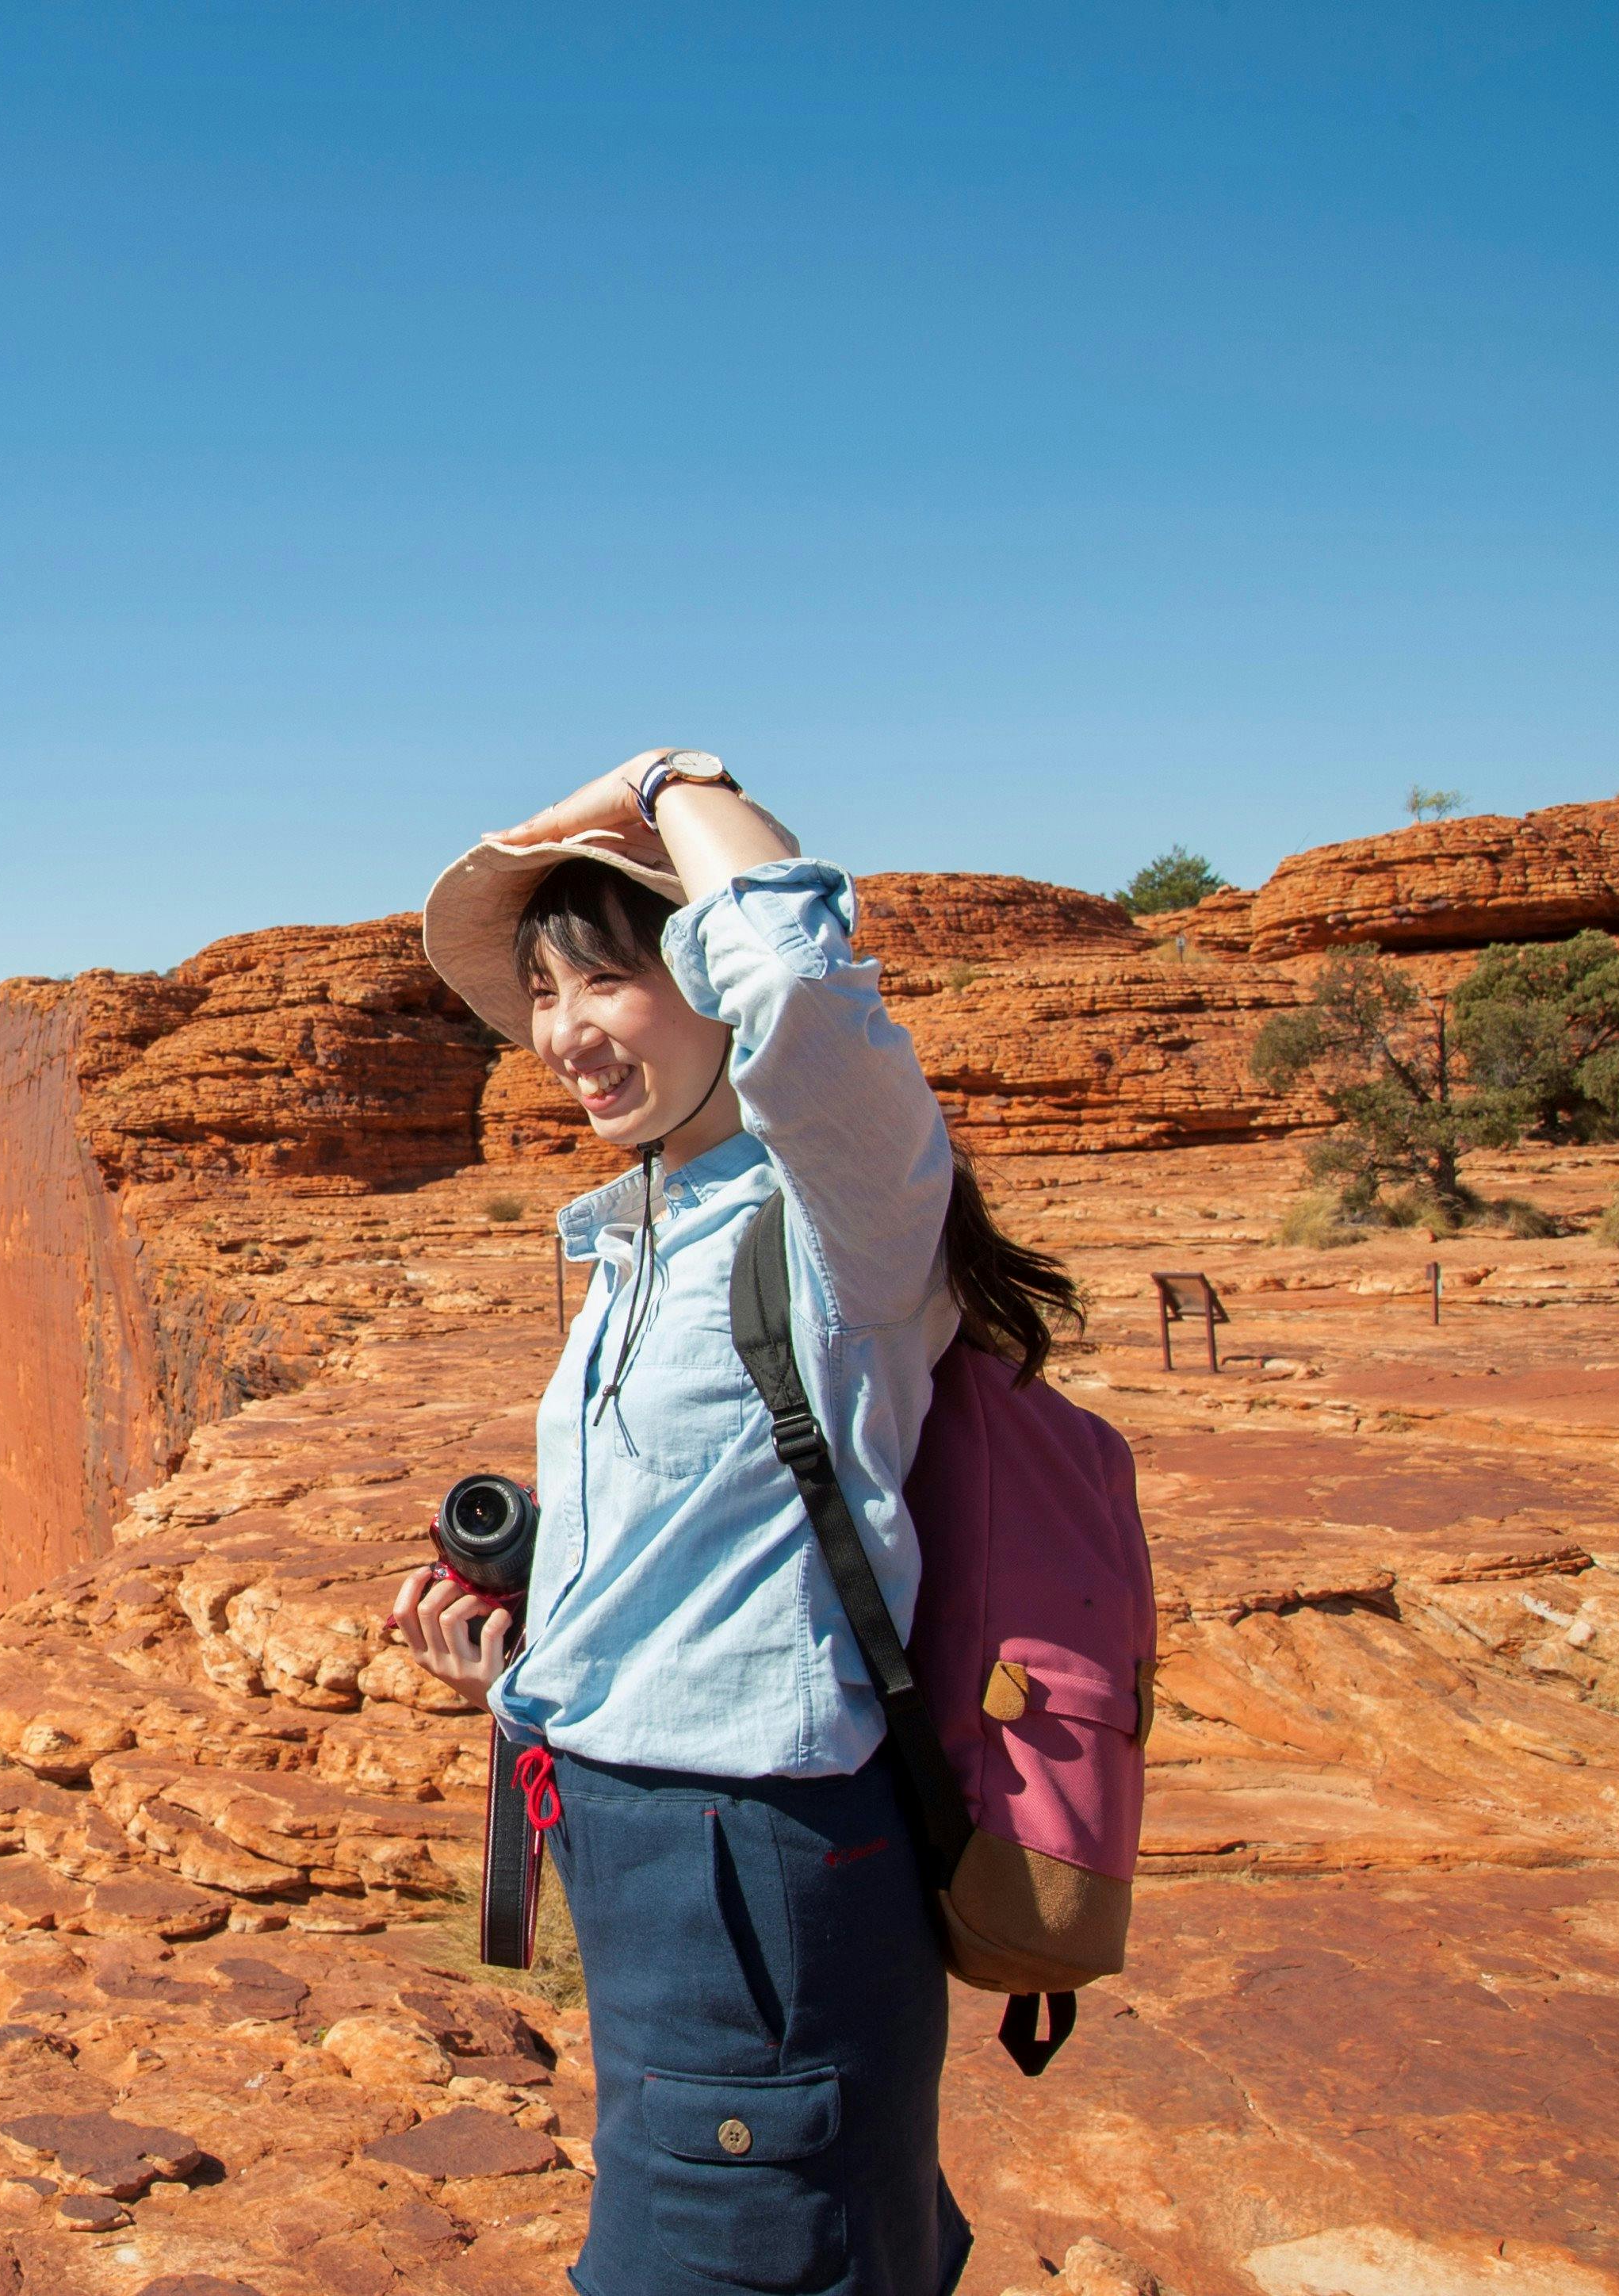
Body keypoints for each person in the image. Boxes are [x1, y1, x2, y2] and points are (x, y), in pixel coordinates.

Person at [390, 748, 1074, 2296]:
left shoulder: (834, 1215)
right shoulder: (643, 1233)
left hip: (748, 1854)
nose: (563, 1032)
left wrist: (660, 778)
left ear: (704, 979)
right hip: (642, 1849)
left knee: (730, 2260)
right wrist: (506, 1670)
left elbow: (802, 982)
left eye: (609, 980)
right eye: (540, 992)